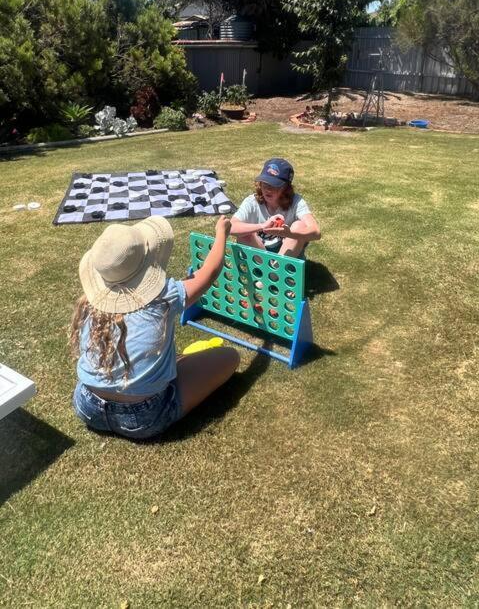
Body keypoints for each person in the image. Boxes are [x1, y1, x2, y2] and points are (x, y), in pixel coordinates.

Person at [70, 215, 240, 440]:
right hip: (144, 416)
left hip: (87, 404)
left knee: (172, 360)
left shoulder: (91, 301)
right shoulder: (165, 297)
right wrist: (222, 232)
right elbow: (209, 273)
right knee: (229, 356)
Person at [230, 158, 321, 257]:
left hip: (288, 251)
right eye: (265, 183)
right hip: (260, 251)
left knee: (299, 226)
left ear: (285, 188)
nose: (268, 189)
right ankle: (269, 270)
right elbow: (231, 227)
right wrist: (262, 226)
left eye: (274, 185)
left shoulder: (296, 201)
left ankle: (277, 269)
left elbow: (316, 232)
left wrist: (289, 234)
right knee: (245, 233)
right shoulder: (252, 201)